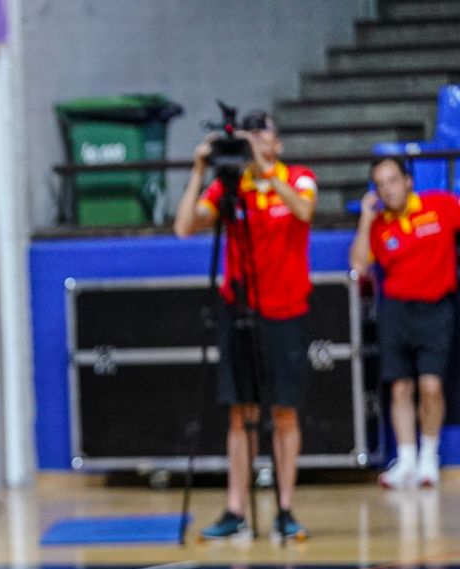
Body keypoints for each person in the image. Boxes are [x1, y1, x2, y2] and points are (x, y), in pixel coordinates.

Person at [173, 111, 317, 541]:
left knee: (284, 412)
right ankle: (236, 509)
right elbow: (185, 226)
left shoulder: (298, 178)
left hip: (286, 311)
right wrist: (199, 171)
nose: (255, 139)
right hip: (239, 310)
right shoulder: (230, 187)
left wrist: (266, 170)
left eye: (262, 133)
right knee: (241, 414)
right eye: (248, 134)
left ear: (278, 143)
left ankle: (285, 509)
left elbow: (304, 211)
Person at [350, 156, 458, 489]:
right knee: (399, 388)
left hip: (436, 308)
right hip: (396, 310)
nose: (388, 189)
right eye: (380, 184)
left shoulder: (440, 206)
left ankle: (428, 458)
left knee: (431, 387)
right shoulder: (379, 225)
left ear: (408, 181)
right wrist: (366, 220)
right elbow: (359, 266)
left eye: (393, 180)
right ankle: (407, 461)